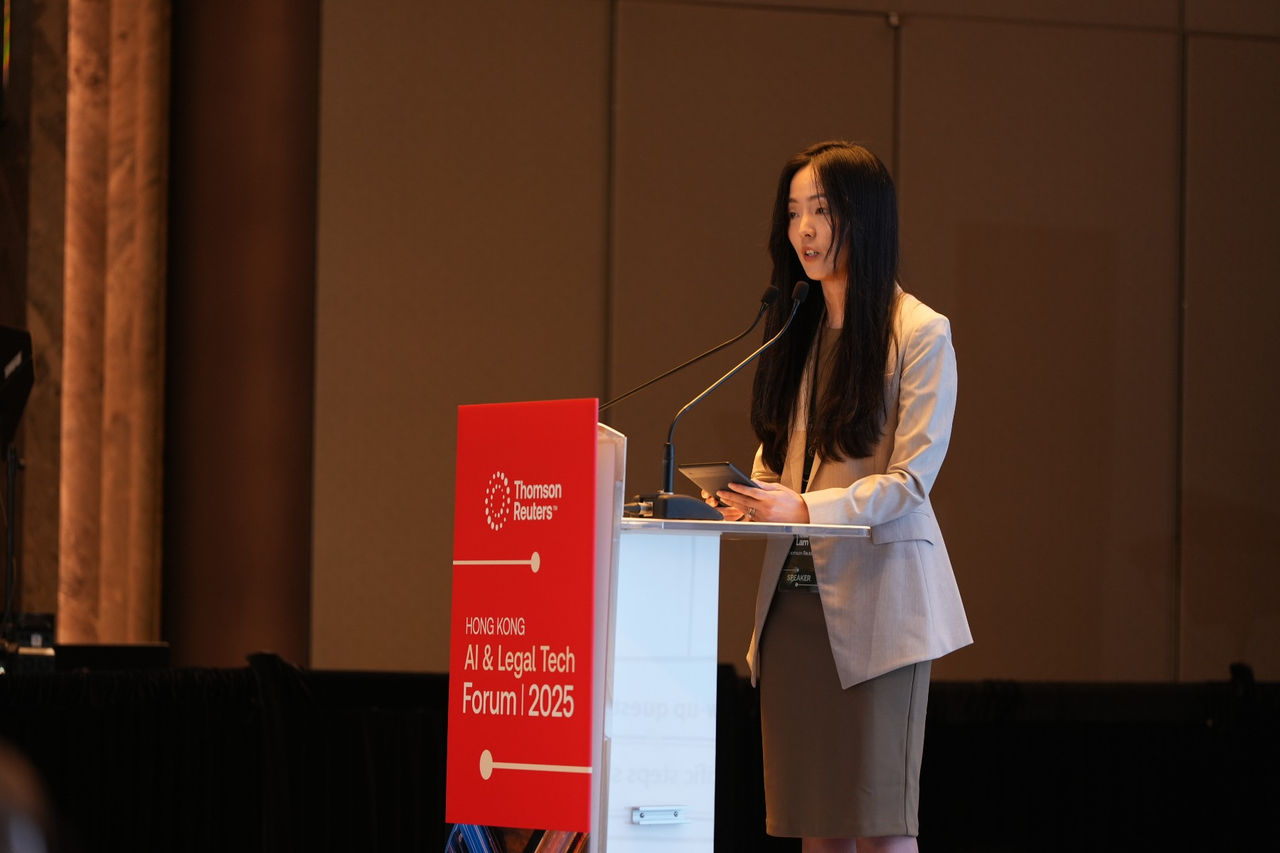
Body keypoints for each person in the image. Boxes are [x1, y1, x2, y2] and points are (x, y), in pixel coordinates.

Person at [708, 141, 972, 852]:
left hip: (880, 613)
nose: (804, 230)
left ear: (865, 217)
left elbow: (912, 483)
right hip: (793, 609)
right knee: (814, 827)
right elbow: (782, 462)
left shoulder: (920, 332)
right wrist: (749, 496)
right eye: (793, 213)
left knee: (879, 827)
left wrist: (804, 509)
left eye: (821, 210)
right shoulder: (798, 326)